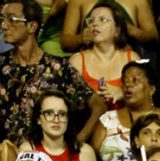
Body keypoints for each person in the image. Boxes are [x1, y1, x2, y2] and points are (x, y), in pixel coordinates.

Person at [0, 0, 101, 144]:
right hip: (7, 159)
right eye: (2, 20)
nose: (4, 25)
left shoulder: (58, 68)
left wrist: (79, 140)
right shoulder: (2, 65)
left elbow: (98, 105)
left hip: (49, 159)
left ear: (32, 26)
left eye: (11, 19)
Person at [66, 2, 138, 109]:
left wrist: (123, 92)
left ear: (117, 30)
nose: (95, 24)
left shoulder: (131, 59)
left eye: (102, 20)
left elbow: (144, 95)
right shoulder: (77, 61)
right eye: (91, 20)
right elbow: (67, 103)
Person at [60, 0, 158, 53]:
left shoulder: (137, 1)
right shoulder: (78, 1)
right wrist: (80, 38)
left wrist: (131, 30)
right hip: (89, 64)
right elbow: (65, 42)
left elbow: (154, 38)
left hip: (126, 68)